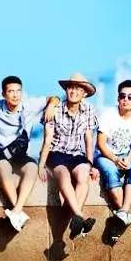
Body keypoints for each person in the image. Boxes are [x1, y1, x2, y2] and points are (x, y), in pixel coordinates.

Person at [0, 75, 60, 231]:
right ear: (3, 94)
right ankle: (18, 212)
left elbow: (55, 98)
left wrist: (51, 105)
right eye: (11, 91)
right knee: (4, 167)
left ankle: (17, 211)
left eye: (18, 91)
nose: (15, 95)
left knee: (32, 167)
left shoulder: (29, 105)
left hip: (20, 154)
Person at [38, 73, 99, 239]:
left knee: (83, 175)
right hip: (56, 153)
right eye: (71, 87)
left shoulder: (89, 110)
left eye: (78, 89)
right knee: (64, 175)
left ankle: (76, 221)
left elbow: (88, 139)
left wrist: (90, 164)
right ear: (66, 90)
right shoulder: (55, 109)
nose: (73, 91)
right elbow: (47, 140)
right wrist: (41, 165)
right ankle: (79, 216)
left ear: (84, 93)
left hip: (76, 154)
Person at [95, 79, 131, 227]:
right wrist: (115, 159)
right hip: (106, 155)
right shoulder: (108, 114)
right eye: (122, 96)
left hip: (126, 155)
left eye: (130, 97)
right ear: (118, 98)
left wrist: (128, 159)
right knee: (110, 170)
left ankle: (123, 211)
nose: (125, 100)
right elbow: (101, 144)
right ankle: (124, 215)